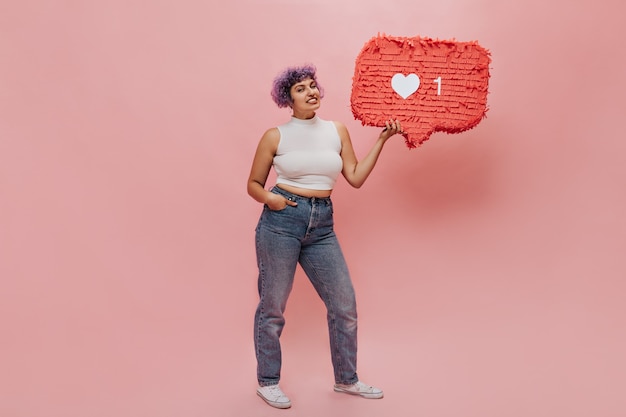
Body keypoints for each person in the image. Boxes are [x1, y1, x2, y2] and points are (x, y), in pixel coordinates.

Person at [247, 64, 402, 409]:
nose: (310, 91)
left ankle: (347, 380)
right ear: (287, 99)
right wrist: (272, 199)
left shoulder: (337, 130)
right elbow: (253, 184)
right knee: (273, 306)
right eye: (300, 88)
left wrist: (381, 139)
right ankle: (268, 381)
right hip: (281, 223)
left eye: (312, 85)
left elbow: (356, 177)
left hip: (322, 226)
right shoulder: (276, 135)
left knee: (344, 303)